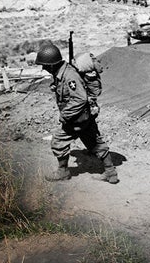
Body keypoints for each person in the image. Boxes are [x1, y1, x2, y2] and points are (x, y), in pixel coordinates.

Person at [36, 43, 118, 184]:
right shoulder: (61, 73)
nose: (43, 68)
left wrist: (65, 115)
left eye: (44, 65)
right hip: (85, 116)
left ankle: (63, 171)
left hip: (76, 118)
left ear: (51, 65)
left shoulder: (69, 76)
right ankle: (111, 173)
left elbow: (80, 98)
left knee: (58, 141)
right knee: (94, 142)